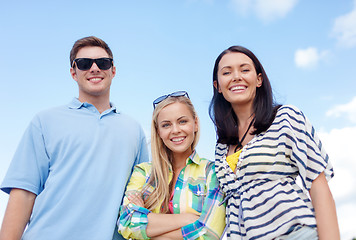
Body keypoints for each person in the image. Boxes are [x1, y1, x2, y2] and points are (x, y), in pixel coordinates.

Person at [0, 36, 149, 240]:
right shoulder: (45, 121)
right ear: (73, 73)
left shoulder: (134, 129)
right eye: (84, 63)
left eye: (103, 63)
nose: (94, 68)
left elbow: (141, 197)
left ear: (113, 70)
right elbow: (23, 194)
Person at [209, 46, 340, 239]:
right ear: (218, 86)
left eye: (245, 70)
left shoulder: (286, 117)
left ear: (259, 79)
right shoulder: (222, 145)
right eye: (227, 72)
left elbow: (318, 186)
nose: (236, 76)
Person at [118, 91, 226, 240]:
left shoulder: (212, 172)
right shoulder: (143, 172)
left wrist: (147, 219)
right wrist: (189, 219)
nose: (175, 130)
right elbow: (126, 224)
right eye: (166, 125)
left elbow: (209, 233)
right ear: (158, 132)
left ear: (195, 124)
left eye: (182, 121)